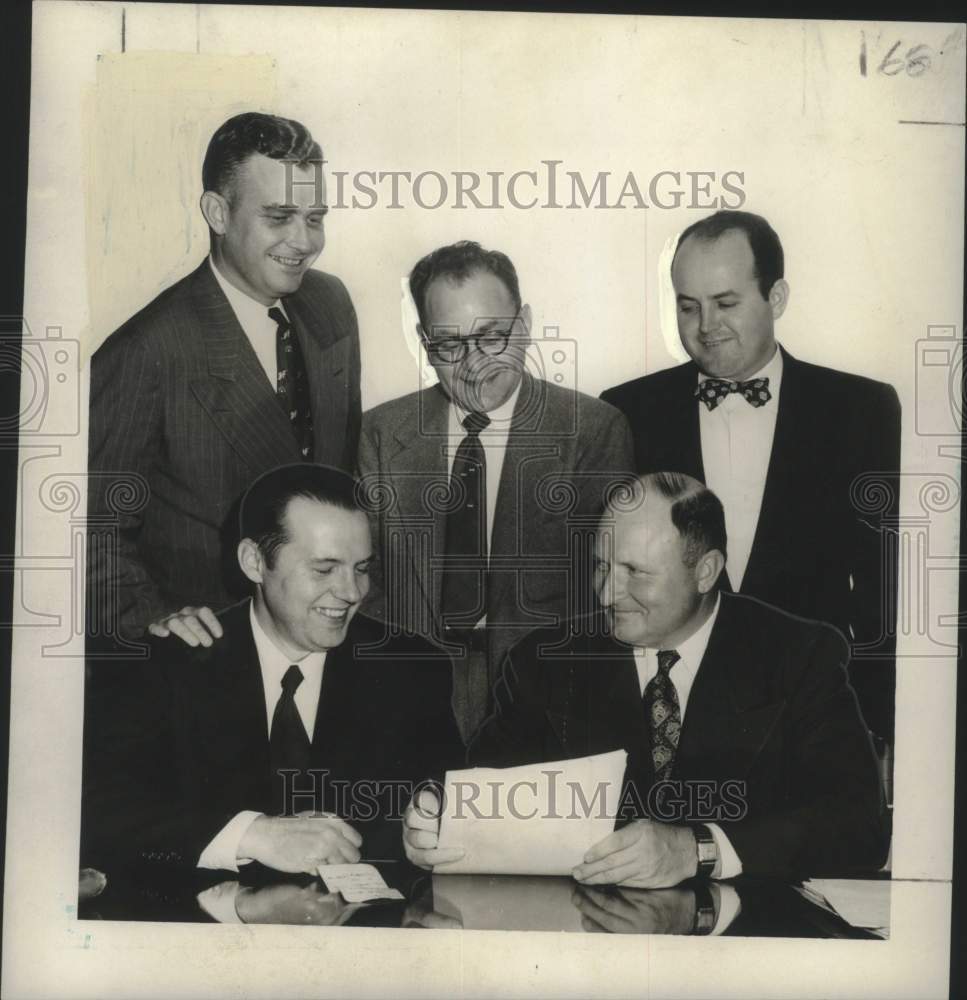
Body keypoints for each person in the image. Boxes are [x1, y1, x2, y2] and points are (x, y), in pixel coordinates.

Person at [403, 473, 888, 887]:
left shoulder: (799, 655)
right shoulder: (544, 660)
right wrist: (438, 818)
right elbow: (487, 788)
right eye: (600, 566)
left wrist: (699, 848)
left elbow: (860, 825)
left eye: (635, 572)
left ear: (705, 571)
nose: (608, 592)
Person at [600, 210, 900, 743]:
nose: (705, 326)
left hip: (813, 716)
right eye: (688, 306)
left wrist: (878, 730)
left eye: (726, 303)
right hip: (671, 722)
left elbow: (884, 591)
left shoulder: (862, 409)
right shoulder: (628, 410)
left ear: (777, 297)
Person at [82, 464, 463, 877]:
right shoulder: (174, 662)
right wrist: (252, 835)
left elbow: (445, 799)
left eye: (361, 568)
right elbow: (96, 809)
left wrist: (425, 833)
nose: (352, 593)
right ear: (253, 562)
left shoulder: (411, 667)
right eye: (323, 569)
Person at [87, 112, 361, 644]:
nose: (303, 241)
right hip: (212, 656)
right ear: (217, 212)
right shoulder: (144, 351)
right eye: (279, 216)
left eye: (315, 217)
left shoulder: (331, 304)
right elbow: (90, 534)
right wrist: (151, 620)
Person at [356, 240, 634, 742]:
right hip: (403, 692)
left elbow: (602, 592)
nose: (474, 365)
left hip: (546, 692)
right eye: (450, 344)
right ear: (424, 342)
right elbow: (364, 579)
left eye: (491, 337)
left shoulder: (592, 430)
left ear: (524, 327)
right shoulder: (380, 433)